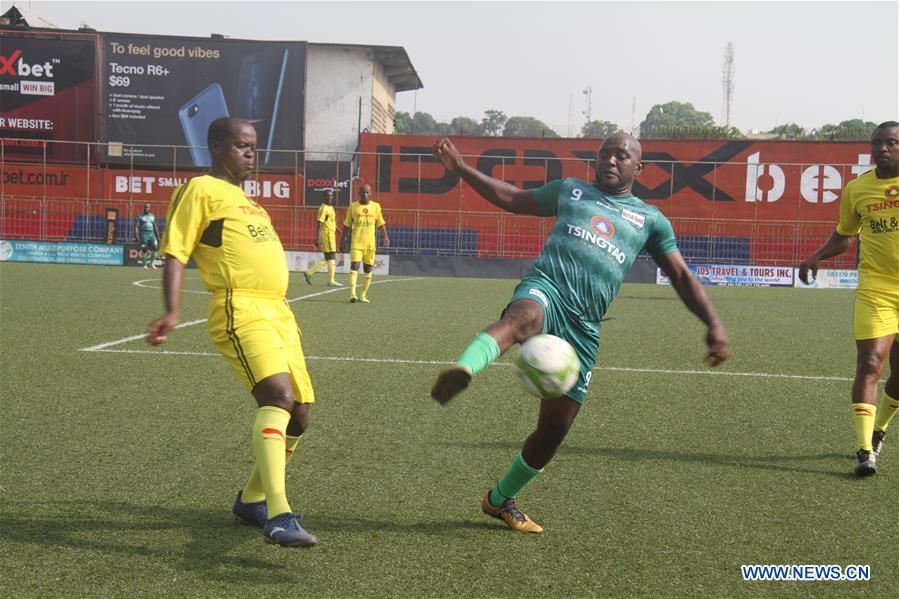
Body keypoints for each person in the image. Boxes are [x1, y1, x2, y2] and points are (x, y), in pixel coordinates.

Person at [430, 134, 731, 533]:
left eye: (621, 155)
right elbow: (512, 198)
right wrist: (463, 169)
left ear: (638, 168)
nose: (610, 160)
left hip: (585, 326)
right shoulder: (570, 190)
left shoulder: (650, 220)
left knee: (555, 429)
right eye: (605, 153)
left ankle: (499, 500)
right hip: (547, 288)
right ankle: (464, 369)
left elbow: (679, 275)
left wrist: (713, 324)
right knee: (523, 317)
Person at [147, 117, 318, 547]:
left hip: (278, 313)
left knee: (299, 415)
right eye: (242, 146)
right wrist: (172, 310)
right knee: (277, 396)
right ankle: (279, 514)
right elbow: (176, 251)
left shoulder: (249, 201)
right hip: (239, 308)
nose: (250, 154)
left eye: (254, 147)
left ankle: (252, 499)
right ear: (218, 147)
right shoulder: (199, 190)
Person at [799, 121, 899, 477]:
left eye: (890, 143)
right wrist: (816, 256)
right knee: (870, 362)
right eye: (877, 144)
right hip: (877, 289)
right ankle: (864, 451)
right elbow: (844, 236)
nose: (882, 149)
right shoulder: (857, 189)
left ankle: (879, 429)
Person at [340, 182, 390, 303]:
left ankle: (362, 294)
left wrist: (385, 237)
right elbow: (347, 225)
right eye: (363, 192)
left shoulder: (376, 206)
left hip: (370, 244)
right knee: (355, 266)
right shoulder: (353, 206)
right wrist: (343, 240)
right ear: (359, 193)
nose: (365, 194)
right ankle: (352, 294)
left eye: (367, 192)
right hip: (356, 242)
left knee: (368, 269)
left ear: (371, 193)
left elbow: (380, 223)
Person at [303, 188, 343, 287]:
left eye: (331, 196)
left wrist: (341, 232)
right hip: (327, 234)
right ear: (324, 197)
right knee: (332, 256)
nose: (329, 197)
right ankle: (331, 280)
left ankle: (309, 272)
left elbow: (332, 223)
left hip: (331, 234)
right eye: (327, 196)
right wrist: (317, 237)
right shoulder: (324, 208)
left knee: (327, 257)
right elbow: (319, 222)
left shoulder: (331, 208)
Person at [134, 203, 161, 269]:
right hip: (143, 234)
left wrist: (158, 236)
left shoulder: (152, 216)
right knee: (144, 249)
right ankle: (145, 265)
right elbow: (136, 227)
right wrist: (136, 235)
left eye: (147, 207)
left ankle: (151, 263)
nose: (146, 208)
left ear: (149, 208)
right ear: (143, 208)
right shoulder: (140, 216)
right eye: (145, 207)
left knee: (155, 248)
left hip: (151, 234)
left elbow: (155, 226)